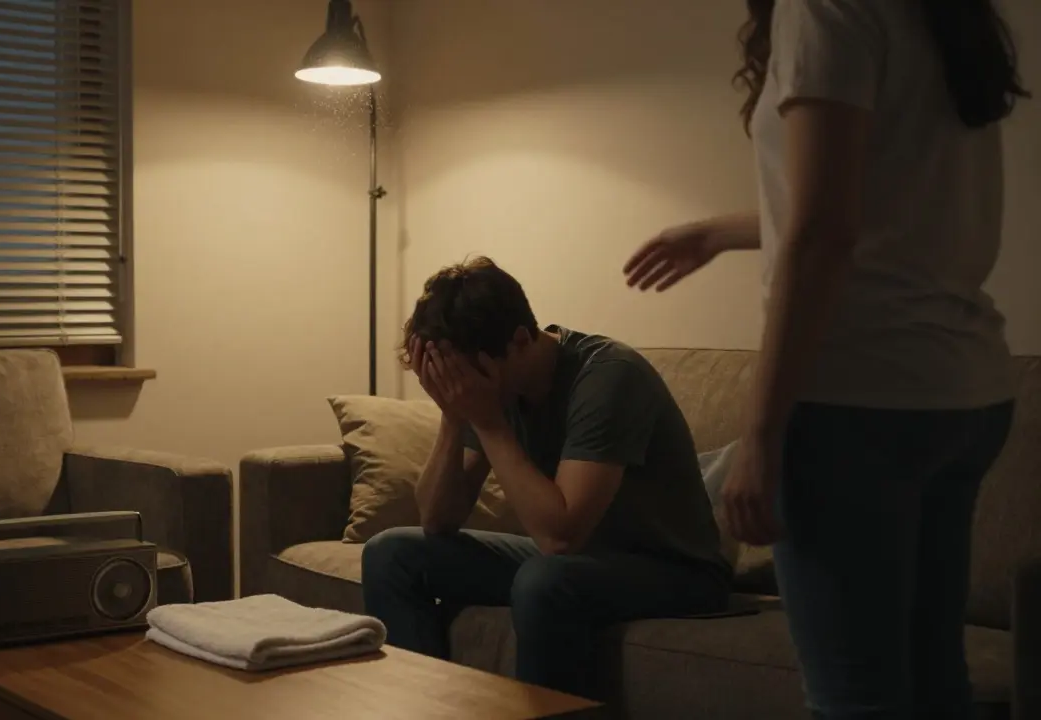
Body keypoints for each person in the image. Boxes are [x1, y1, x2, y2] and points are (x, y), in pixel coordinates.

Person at [623, 1, 1028, 717]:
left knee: (856, 698)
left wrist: (763, 433)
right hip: (964, 393)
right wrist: (719, 231)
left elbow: (824, 231)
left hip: (859, 402)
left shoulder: (823, 8)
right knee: (934, 687)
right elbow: (873, 204)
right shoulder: (937, 15)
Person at [360, 256, 732, 699]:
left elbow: (560, 537)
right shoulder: (494, 384)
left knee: (544, 580)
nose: (461, 386)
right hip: (583, 561)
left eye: (465, 375)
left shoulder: (609, 377)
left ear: (520, 341)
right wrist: (452, 415)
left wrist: (490, 423)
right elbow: (439, 520)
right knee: (392, 554)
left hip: (677, 570)